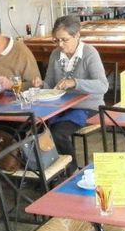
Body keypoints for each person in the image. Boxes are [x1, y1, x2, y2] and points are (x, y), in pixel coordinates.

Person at [41, 15, 108, 164]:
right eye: (56, 40)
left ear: (77, 35)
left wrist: (75, 83)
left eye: (64, 40)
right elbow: (49, 85)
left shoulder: (89, 53)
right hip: (60, 107)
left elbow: (102, 85)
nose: (60, 44)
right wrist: (40, 85)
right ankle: (48, 169)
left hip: (87, 107)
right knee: (36, 128)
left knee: (57, 133)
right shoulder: (55, 54)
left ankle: (70, 171)